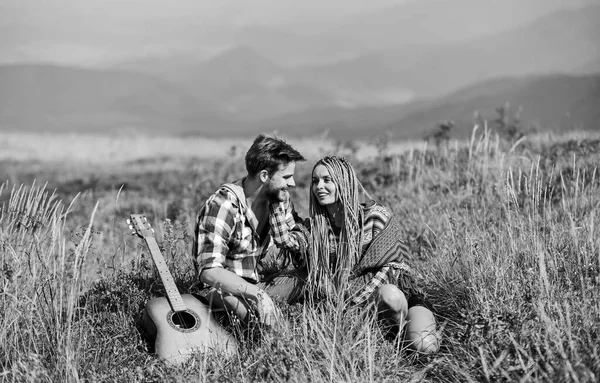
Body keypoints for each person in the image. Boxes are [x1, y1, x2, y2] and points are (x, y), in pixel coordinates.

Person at [269, 156, 440, 353]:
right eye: (315, 181)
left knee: (423, 345)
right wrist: (277, 195)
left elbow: (393, 272)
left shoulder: (375, 218)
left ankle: (405, 336)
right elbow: (285, 240)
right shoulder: (315, 229)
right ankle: (386, 344)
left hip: (398, 303)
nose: (319, 187)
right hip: (358, 310)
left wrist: (345, 295)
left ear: (343, 181)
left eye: (327, 180)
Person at [192, 134, 306, 327]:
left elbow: (298, 236)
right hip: (220, 291)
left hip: (255, 287)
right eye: (286, 177)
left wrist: (287, 238)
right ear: (264, 176)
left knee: (309, 277)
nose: (292, 183)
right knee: (260, 324)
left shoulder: (278, 200)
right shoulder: (224, 205)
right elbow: (209, 272)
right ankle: (266, 335)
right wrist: (259, 296)